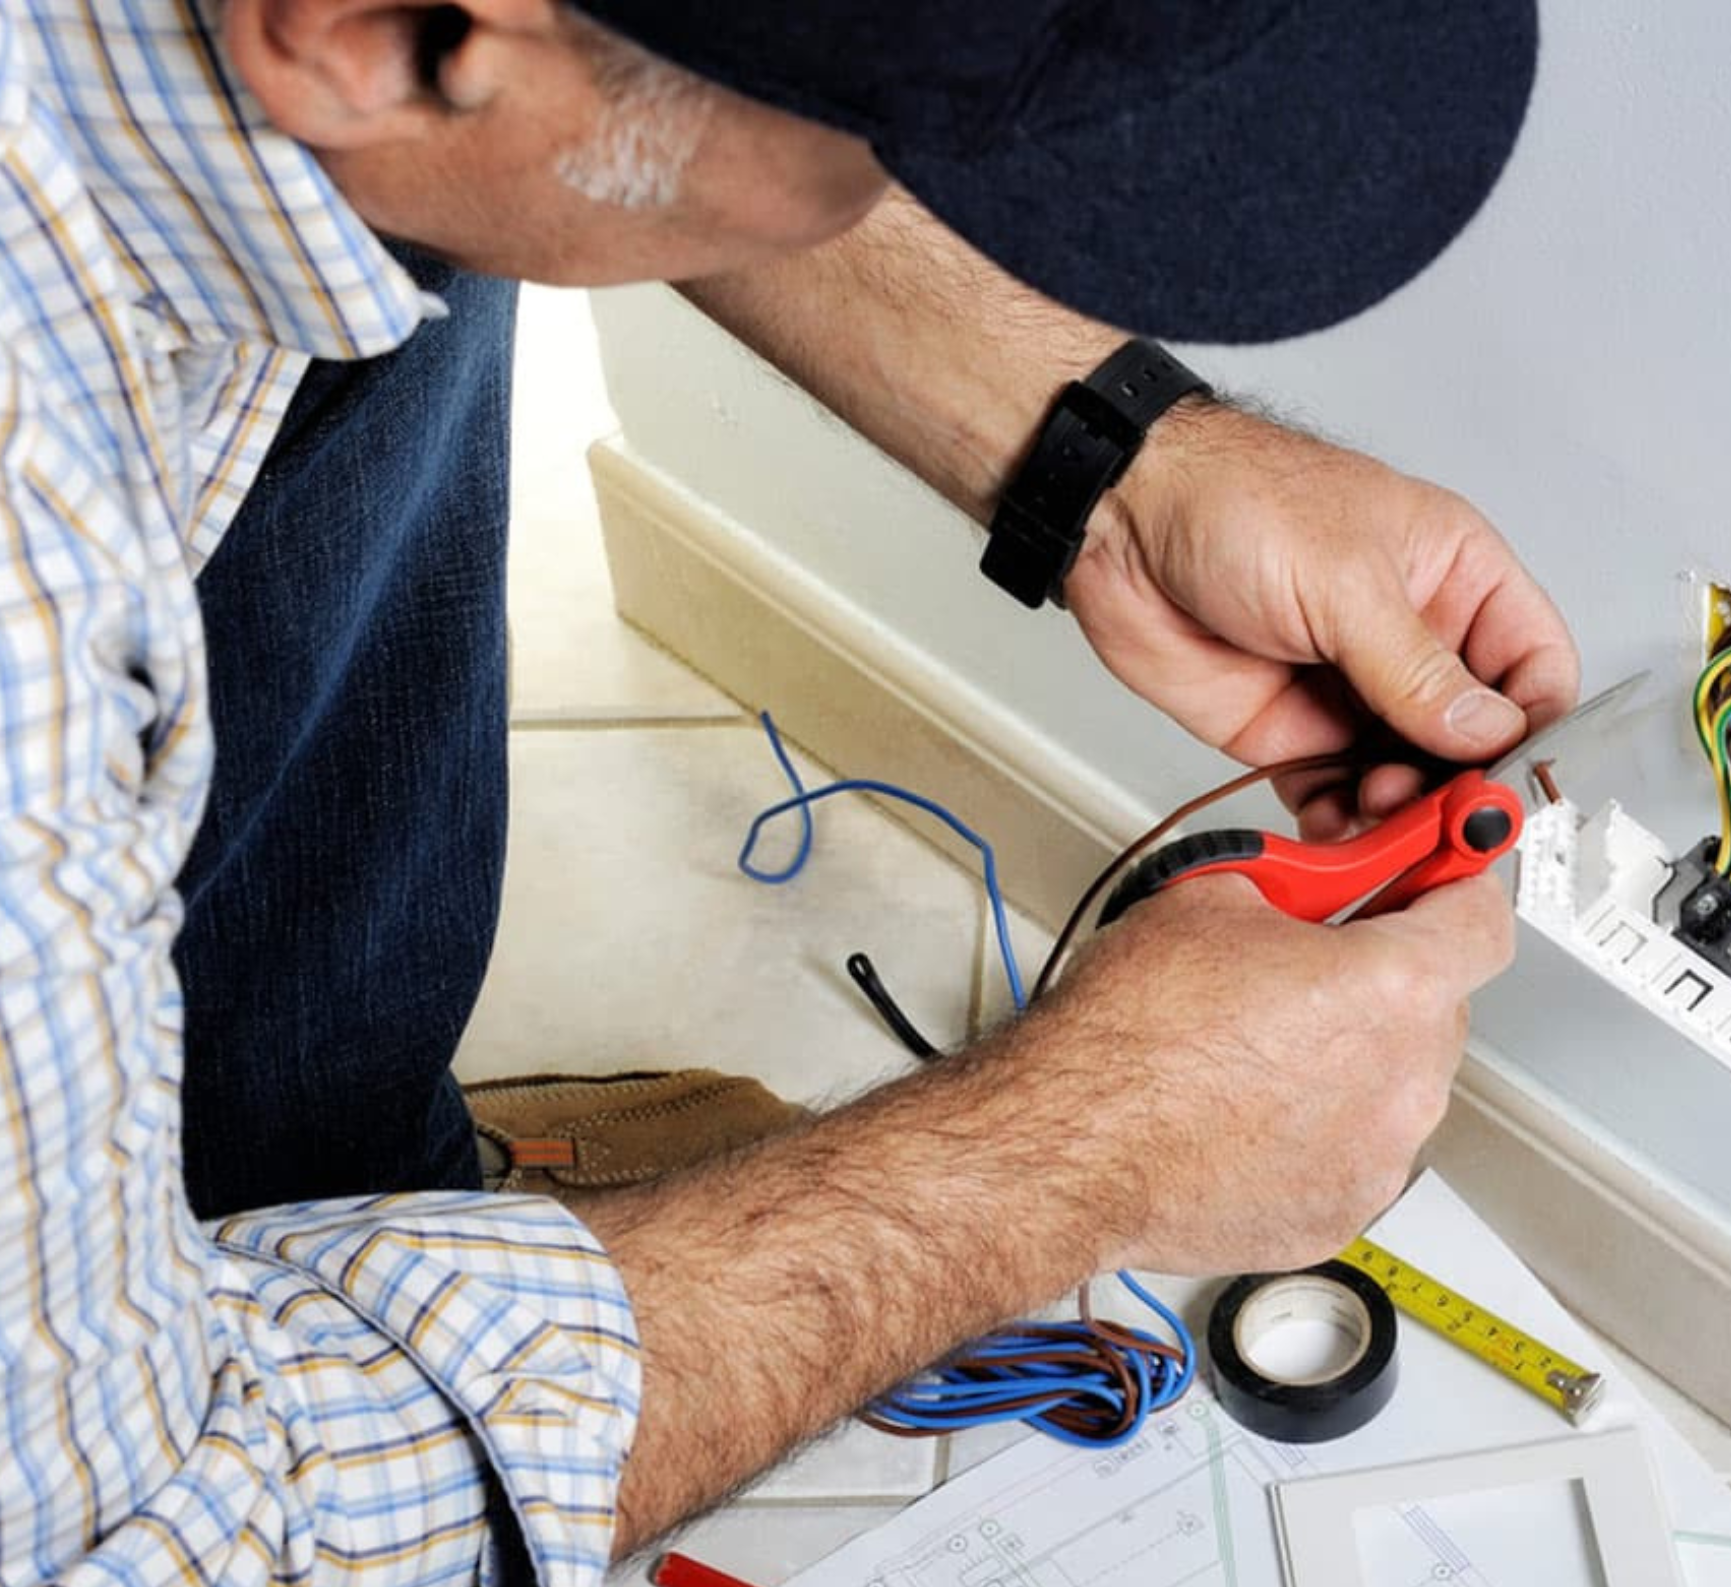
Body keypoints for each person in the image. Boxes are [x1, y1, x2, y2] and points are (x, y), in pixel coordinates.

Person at [0, 0, 1579, 1581]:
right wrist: (1092, 1145)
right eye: (881, 149)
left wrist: (1118, 466)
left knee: (398, 267)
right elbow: (156, 1543)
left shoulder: (346, 96)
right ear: (386, 28)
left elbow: (548, 115)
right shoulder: (34, 612)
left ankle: (322, 1193)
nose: (930, 195)